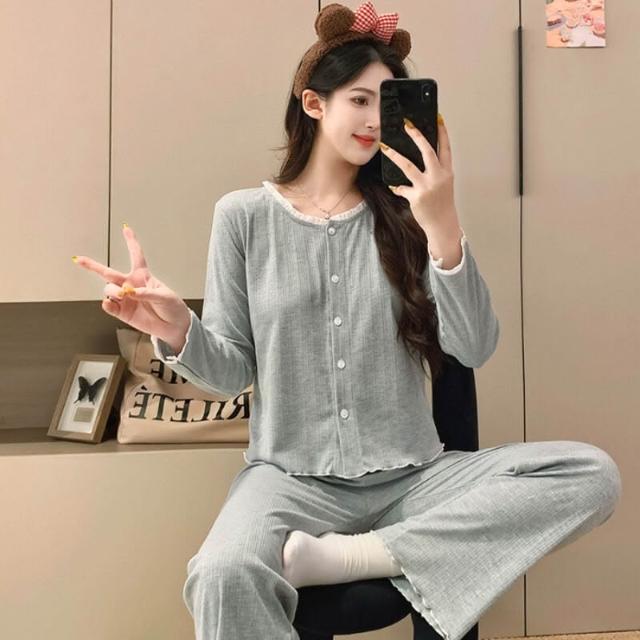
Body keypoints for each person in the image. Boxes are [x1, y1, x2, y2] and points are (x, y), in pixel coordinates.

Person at [73, 3, 622, 639]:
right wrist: (174, 328)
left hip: (415, 480)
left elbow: (473, 346)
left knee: (590, 475)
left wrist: (443, 221)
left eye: (385, 106)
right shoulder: (243, 217)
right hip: (289, 482)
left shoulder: (410, 216)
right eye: (359, 100)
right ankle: (379, 553)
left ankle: (356, 556)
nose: (372, 121)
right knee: (222, 572)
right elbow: (230, 373)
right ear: (314, 103)